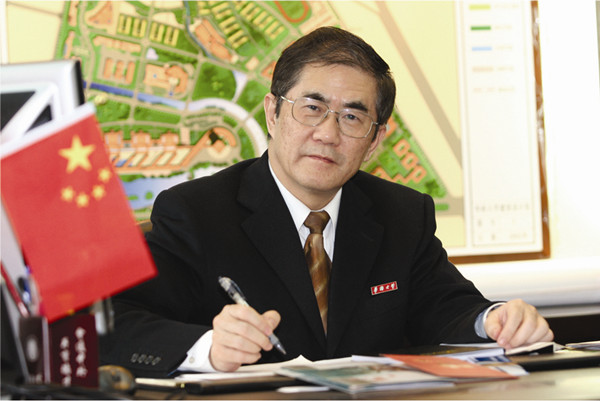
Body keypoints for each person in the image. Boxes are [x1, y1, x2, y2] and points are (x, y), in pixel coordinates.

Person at [99, 26, 553, 376]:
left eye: (352, 117)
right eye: (312, 108)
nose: (327, 134)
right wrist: (208, 348)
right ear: (273, 113)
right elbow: (114, 323)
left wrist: (496, 320)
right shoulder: (196, 213)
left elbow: (445, 307)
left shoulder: (402, 214)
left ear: (375, 140)